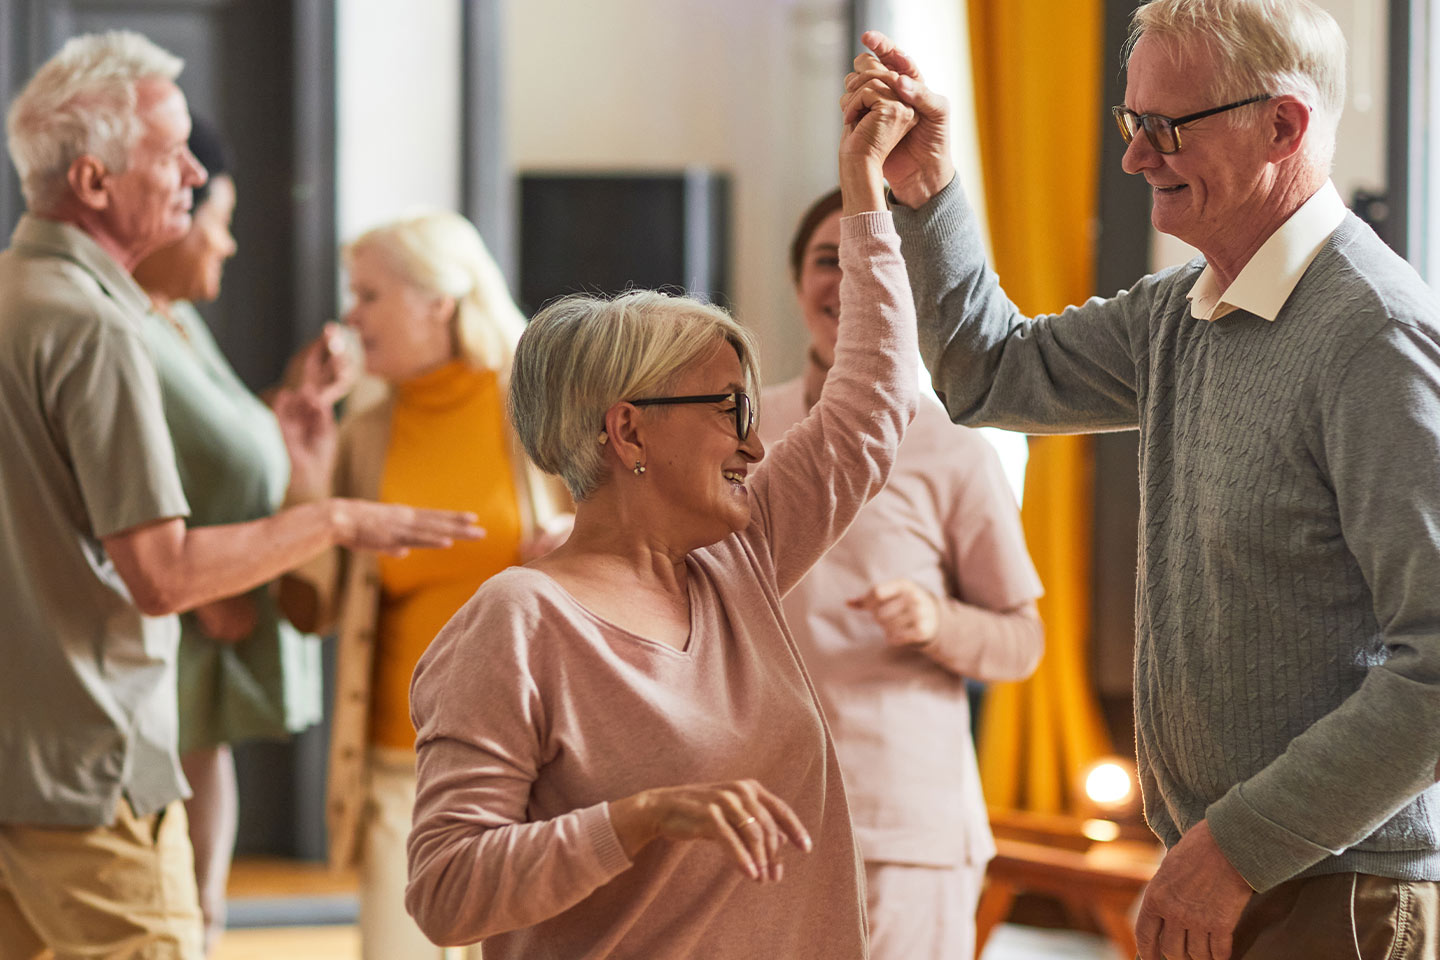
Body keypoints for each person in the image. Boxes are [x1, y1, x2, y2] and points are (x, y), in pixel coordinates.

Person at [845, 1, 1440, 956]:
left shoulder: (1374, 335)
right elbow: (989, 371)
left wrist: (1236, 850)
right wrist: (930, 192)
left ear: (1282, 125)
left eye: (1166, 129)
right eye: (1131, 124)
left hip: (1327, 889)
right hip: (1234, 871)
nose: (1134, 159)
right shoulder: (1179, 312)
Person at [401, 85, 920, 959]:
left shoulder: (739, 559)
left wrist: (865, 189)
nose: (756, 446)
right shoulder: (518, 621)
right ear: (628, 428)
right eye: (729, 409)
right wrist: (638, 820)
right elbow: (446, 892)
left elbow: (871, 403)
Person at [0, 31, 481, 959]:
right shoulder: (97, 326)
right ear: (94, 183)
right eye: (170, 152)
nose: (193, 173)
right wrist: (334, 517)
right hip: (90, 774)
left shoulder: (20, 294)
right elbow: (165, 576)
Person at [756, 187, 1044, 959]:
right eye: (826, 260)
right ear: (795, 282)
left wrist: (935, 620)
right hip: (753, 819)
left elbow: (1022, 641)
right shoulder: (741, 432)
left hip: (899, 826)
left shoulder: (955, 448)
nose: (846, 281)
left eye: (866, 261)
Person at [282, 210, 570, 960]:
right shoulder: (364, 433)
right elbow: (307, 608)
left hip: (534, 760)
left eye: (369, 295)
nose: (350, 317)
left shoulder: (544, 407)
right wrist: (307, 476)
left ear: (437, 301)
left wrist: (576, 540)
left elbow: (640, 542)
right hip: (397, 766)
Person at [130, 116, 352, 955]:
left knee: (198, 899)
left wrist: (290, 404)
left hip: (205, 633)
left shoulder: (180, 321)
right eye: (218, 217)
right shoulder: (124, 333)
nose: (226, 243)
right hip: (171, 624)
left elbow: (211, 442)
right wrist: (193, 600)